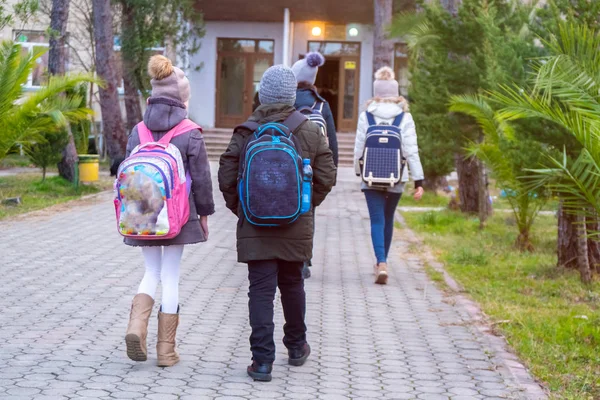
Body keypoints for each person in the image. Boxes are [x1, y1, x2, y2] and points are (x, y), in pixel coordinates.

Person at [218, 65, 336, 382]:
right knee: (293, 284)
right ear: (290, 97)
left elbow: (226, 178)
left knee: (260, 291)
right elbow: (327, 177)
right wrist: (303, 207)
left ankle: (262, 362)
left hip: (254, 226)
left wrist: (244, 210)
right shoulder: (310, 129)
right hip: (296, 226)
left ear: (262, 95)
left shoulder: (246, 131)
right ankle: (297, 348)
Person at [123, 55, 214, 367]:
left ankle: (136, 327)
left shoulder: (138, 130)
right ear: (183, 97)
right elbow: (201, 179)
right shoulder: (190, 131)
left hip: (142, 214)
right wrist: (203, 214)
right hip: (178, 216)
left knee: (151, 271)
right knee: (171, 276)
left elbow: (126, 174)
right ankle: (166, 352)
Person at [353, 66, 424, 285]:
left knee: (376, 219)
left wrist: (359, 170)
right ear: (396, 93)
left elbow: (359, 146)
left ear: (376, 93)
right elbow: (411, 149)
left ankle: (380, 262)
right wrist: (419, 180)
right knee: (388, 218)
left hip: (371, 175)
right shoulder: (405, 117)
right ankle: (383, 262)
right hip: (397, 175)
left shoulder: (366, 115)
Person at [292, 51, 339, 279]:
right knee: (308, 213)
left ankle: (288, 255)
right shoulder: (321, 105)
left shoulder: (286, 101)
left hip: (286, 167)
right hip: (311, 170)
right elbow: (332, 142)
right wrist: (331, 175)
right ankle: (304, 261)